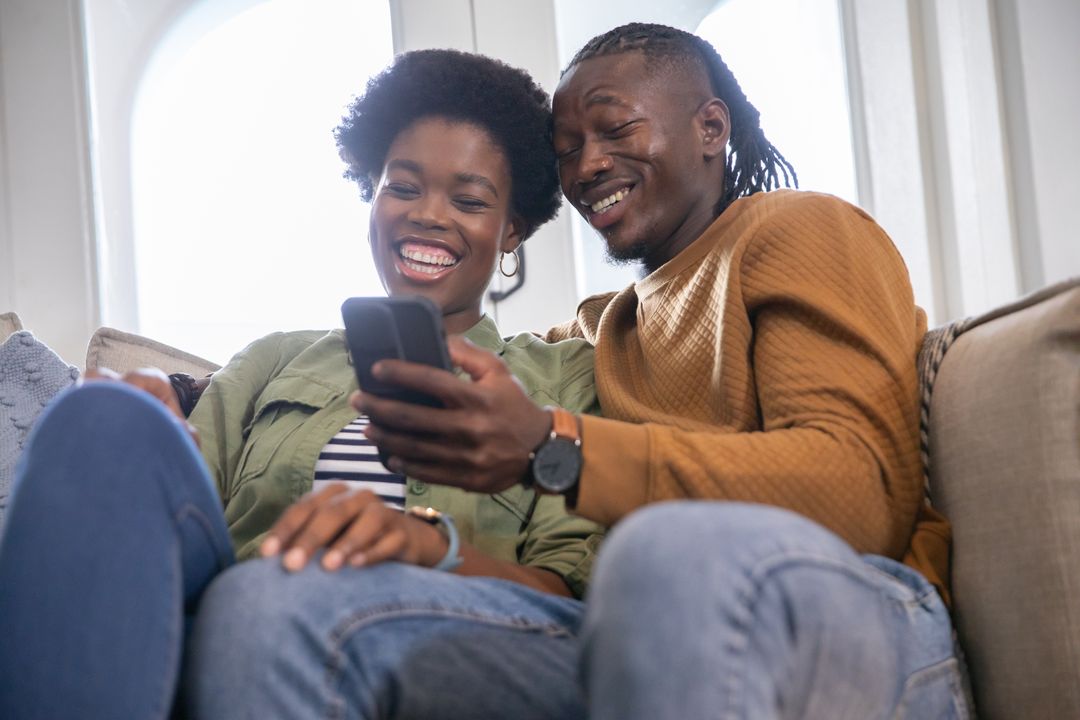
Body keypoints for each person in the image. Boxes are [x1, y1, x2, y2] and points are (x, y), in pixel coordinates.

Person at [187, 22, 969, 720]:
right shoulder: (605, 330)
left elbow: (860, 494)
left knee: (661, 555)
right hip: (654, 628)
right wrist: (187, 403)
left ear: (710, 126)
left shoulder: (797, 230)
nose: (588, 163)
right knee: (282, 608)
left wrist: (550, 450)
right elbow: (501, 363)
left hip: (855, 618)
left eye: (616, 128)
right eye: (567, 150)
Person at [0, 49, 604, 718]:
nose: (429, 215)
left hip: (435, 632)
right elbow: (184, 512)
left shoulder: (564, 376)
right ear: (371, 193)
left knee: (263, 598)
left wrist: (428, 544)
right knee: (102, 415)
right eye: (403, 188)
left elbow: (567, 594)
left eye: (468, 200)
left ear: (511, 228)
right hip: (235, 607)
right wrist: (144, 427)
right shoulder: (275, 359)